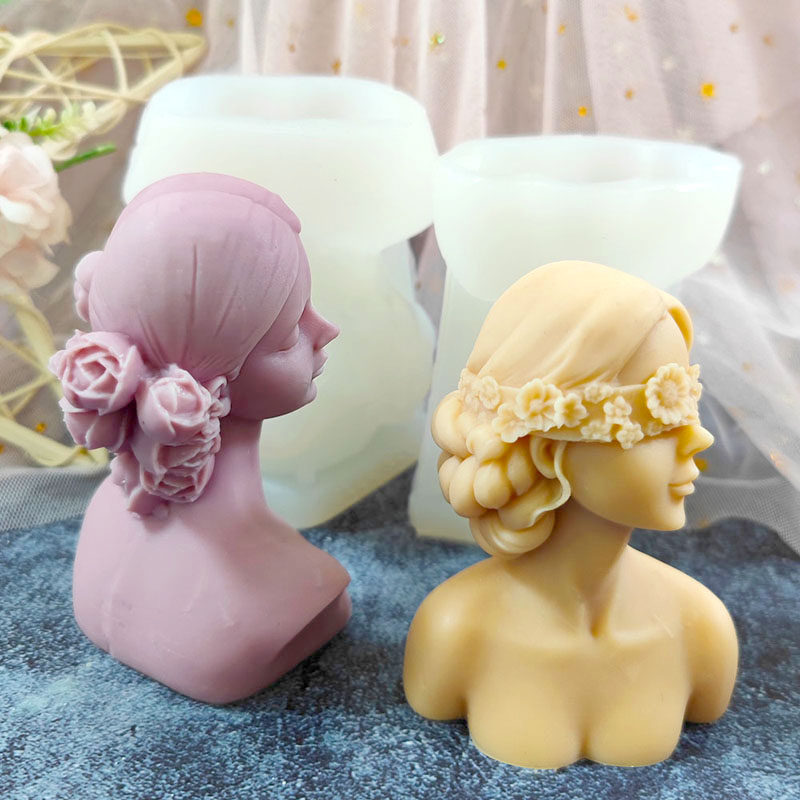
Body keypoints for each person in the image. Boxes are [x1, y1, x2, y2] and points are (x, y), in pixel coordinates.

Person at [403, 260, 738, 768]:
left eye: (687, 402)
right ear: (548, 449)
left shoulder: (702, 630)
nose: (700, 438)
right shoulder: (453, 630)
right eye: (658, 418)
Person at [50, 173, 350, 704]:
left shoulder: (105, 510)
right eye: (288, 334)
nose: (326, 329)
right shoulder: (284, 591)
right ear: (209, 384)